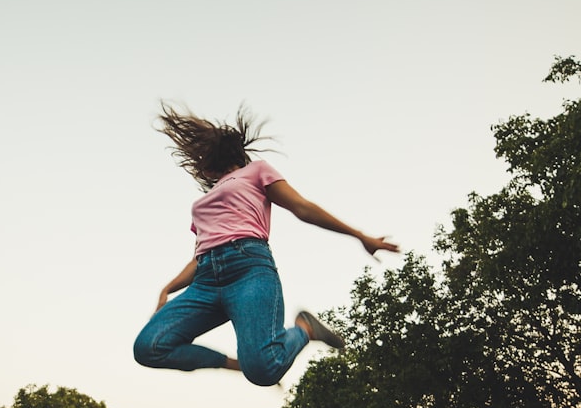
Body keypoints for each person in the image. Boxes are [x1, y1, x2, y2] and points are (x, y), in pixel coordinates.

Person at [133, 103, 398, 387]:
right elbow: (199, 257)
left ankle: (304, 329)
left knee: (263, 371)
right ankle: (235, 365)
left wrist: (360, 235)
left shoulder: (256, 171)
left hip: (248, 270)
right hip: (207, 280)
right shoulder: (201, 205)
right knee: (148, 348)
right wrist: (167, 289)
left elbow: (302, 207)